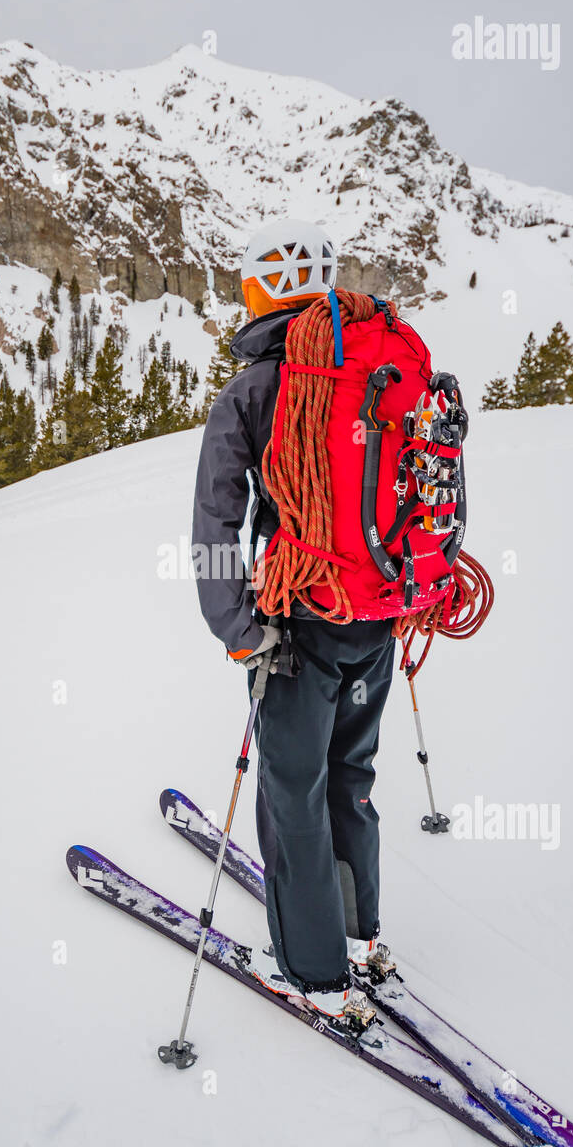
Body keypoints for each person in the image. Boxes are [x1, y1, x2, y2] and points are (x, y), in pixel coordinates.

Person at [192, 219, 408, 1021]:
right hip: (377, 615)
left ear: (258, 292)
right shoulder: (378, 371)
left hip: (296, 623)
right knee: (350, 776)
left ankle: (314, 975)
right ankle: (358, 934)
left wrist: (236, 625)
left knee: (293, 792)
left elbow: (216, 523)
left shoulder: (251, 391)